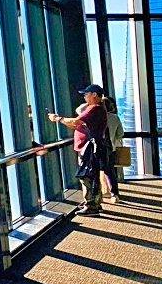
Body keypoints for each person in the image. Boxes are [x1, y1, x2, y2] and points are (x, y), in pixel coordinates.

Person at [49, 84, 108, 216]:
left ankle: (90, 205)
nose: (84, 96)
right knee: (91, 176)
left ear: (94, 95)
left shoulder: (94, 108)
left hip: (88, 148)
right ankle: (95, 204)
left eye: (86, 94)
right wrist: (61, 120)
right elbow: (75, 122)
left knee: (86, 176)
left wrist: (58, 119)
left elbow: (76, 122)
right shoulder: (98, 109)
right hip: (90, 147)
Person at [101, 95, 124, 203]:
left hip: (96, 148)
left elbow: (79, 110)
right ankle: (114, 194)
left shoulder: (97, 117)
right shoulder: (115, 118)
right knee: (110, 171)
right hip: (111, 148)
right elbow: (120, 134)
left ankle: (97, 195)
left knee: (94, 171)